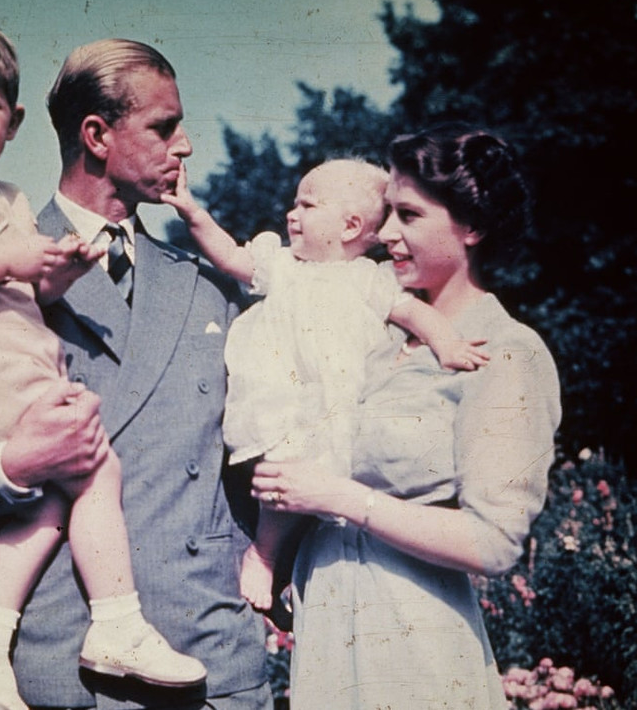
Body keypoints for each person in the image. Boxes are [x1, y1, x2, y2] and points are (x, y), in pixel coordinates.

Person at [0, 38, 273, 709]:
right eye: (164, 127)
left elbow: (263, 452)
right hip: (62, 665)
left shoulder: (205, 286)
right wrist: (15, 464)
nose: (185, 145)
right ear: (97, 135)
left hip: (205, 656)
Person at [249, 124, 562, 708]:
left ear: (472, 226)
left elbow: (493, 542)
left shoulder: (505, 351)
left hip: (416, 649)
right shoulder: (373, 338)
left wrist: (340, 498)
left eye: (409, 217)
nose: (385, 232)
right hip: (327, 633)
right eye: (386, 213)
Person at [162, 158, 489, 612]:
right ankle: (265, 553)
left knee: (327, 485)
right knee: (285, 472)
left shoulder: (369, 280)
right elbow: (232, 257)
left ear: (351, 225)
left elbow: (416, 313)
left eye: (307, 205)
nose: (291, 214)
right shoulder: (283, 266)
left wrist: (448, 343)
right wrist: (193, 213)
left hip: (338, 403)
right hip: (283, 396)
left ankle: (297, 572)